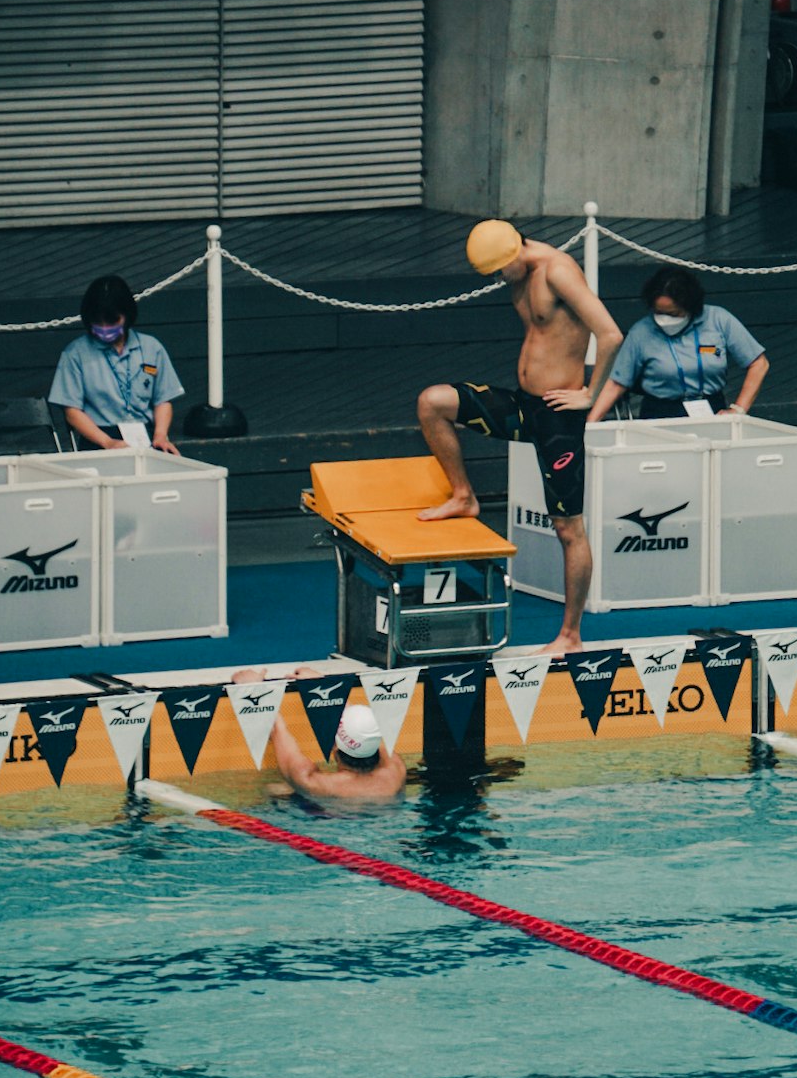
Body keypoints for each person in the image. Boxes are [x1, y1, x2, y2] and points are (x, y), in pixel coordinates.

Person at [416, 219, 624, 657]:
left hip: (557, 418)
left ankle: (570, 635)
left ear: (513, 255)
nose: (496, 281)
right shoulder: (521, 271)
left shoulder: (557, 270)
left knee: (569, 528)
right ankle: (463, 496)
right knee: (433, 402)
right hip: (524, 407)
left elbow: (610, 333)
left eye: (497, 272)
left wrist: (590, 395)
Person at [587, 265, 768, 422]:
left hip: (712, 410)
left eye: (673, 314)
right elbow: (617, 384)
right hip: (660, 413)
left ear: (691, 307)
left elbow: (759, 364)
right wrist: (590, 426)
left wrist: (738, 409)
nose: (665, 319)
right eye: (659, 312)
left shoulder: (718, 319)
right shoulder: (641, 332)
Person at [48, 274, 184, 452]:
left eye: (112, 321)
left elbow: (163, 400)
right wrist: (107, 442)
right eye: (98, 322)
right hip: (99, 438)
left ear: (127, 315)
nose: (105, 328)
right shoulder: (75, 353)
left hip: (145, 435)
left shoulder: (152, 347)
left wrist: (160, 436)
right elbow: (72, 411)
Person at [232, 667, 406, 801]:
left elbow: (275, 728)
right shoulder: (395, 773)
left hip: (325, 821)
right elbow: (367, 731)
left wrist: (252, 687)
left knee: (274, 790)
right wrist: (319, 684)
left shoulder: (313, 782)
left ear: (335, 751)